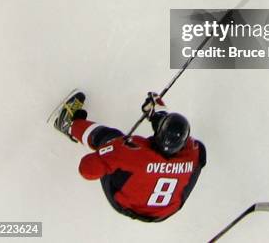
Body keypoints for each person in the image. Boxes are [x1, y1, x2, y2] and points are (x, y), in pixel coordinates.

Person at [53, 90, 206, 221]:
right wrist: (158, 115)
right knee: (176, 158)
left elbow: (87, 169)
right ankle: (158, 116)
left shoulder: (131, 152)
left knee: (109, 137)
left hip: (125, 203)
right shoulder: (194, 153)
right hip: (165, 212)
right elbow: (182, 148)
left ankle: (69, 124)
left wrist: (110, 150)